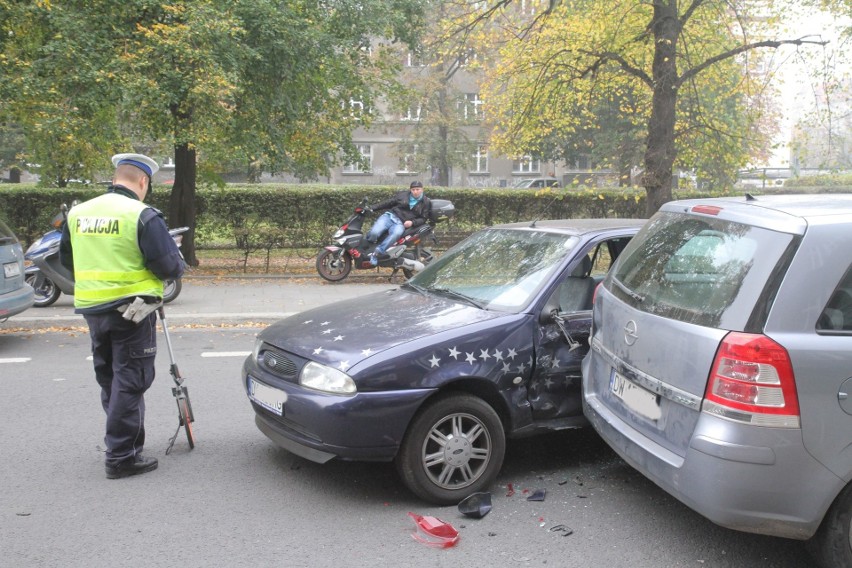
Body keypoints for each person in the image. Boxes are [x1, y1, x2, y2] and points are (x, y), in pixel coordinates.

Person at [59, 153, 185, 479]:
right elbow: (169, 267)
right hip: (132, 311)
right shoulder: (141, 215)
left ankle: (128, 444)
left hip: (93, 309)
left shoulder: (79, 213)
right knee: (131, 381)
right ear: (143, 181)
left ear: (116, 177)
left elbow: (67, 260)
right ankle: (120, 457)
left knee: (111, 380)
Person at [366, 180, 431, 266]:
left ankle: (377, 253)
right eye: (413, 189)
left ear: (422, 189)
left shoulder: (426, 202)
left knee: (396, 234)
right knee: (374, 233)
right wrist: (372, 208)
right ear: (410, 190)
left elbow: (423, 218)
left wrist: (412, 222)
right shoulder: (403, 195)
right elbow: (388, 203)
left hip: (400, 223)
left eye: (417, 189)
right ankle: (367, 248)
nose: (415, 192)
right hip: (389, 216)